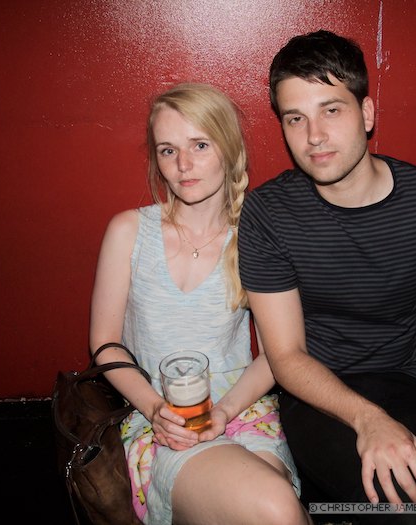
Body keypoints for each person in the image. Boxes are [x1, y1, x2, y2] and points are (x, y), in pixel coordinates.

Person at [238, 30, 416, 523]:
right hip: (317, 391)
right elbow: (285, 355)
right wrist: (368, 420)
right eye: (295, 118)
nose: (313, 136)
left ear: (367, 113)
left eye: (331, 110)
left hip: (405, 377)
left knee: (414, 506)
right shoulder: (269, 213)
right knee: (400, 511)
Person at [89, 82, 311, 525]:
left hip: (244, 409)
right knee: (278, 509)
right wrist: (155, 408)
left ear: (229, 149)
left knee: (280, 511)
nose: (183, 165)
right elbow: (105, 344)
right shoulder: (129, 232)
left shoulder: (256, 239)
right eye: (168, 150)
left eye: (200, 145)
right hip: (161, 418)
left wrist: (225, 411)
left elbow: (278, 355)